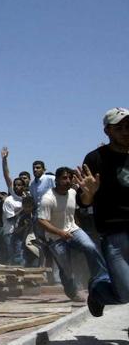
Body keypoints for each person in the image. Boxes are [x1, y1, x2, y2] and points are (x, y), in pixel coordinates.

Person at [76, 107, 129, 316]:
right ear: (107, 131)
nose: (126, 131)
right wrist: (89, 193)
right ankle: (98, 289)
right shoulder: (96, 158)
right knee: (125, 294)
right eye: (120, 128)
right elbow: (84, 202)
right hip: (114, 232)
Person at [37, 167, 110, 302]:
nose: (68, 180)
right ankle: (72, 292)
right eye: (64, 178)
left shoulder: (72, 192)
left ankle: (103, 279)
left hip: (73, 230)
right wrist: (60, 232)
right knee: (66, 268)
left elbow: (77, 208)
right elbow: (41, 221)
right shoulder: (48, 198)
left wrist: (90, 193)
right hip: (55, 237)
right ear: (57, 180)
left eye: (70, 178)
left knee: (91, 247)